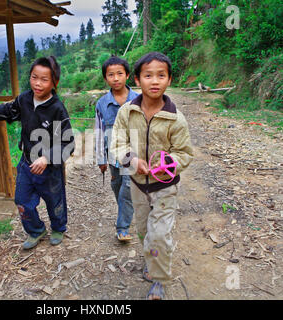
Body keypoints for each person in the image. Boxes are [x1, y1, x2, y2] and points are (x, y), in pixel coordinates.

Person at [110, 52, 193, 299]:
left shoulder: (175, 117)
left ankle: (158, 280)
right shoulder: (127, 112)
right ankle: (152, 259)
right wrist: (131, 160)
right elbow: (117, 142)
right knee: (144, 231)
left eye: (161, 75)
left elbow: (184, 153)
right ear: (137, 80)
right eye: (148, 75)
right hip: (137, 184)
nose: (154, 81)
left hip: (164, 187)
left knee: (159, 234)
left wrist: (166, 164)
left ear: (169, 80)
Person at [0, 56, 75, 250]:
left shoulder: (56, 109)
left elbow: (67, 143)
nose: (38, 83)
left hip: (50, 168)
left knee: (54, 200)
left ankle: (58, 228)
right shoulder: (24, 99)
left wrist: (46, 158)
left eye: (44, 79)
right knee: (22, 200)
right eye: (34, 77)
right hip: (26, 162)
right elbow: (9, 111)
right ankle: (36, 230)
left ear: (54, 82)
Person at [95, 56, 138, 242]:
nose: (116, 78)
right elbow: (99, 131)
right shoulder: (102, 104)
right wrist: (100, 159)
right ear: (105, 78)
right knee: (118, 186)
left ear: (127, 75)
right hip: (113, 155)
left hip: (133, 153)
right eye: (110, 75)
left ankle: (122, 228)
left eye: (120, 73)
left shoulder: (138, 98)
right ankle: (126, 211)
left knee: (128, 186)